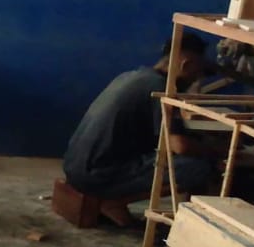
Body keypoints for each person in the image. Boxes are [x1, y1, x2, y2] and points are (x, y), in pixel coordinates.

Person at [62, 36, 214, 216]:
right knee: (200, 168)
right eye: (197, 73)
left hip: (74, 166)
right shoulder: (161, 88)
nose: (196, 78)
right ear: (185, 65)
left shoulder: (132, 76)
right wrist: (221, 149)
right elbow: (179, 146)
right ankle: (113, 202)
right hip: (96, 177)